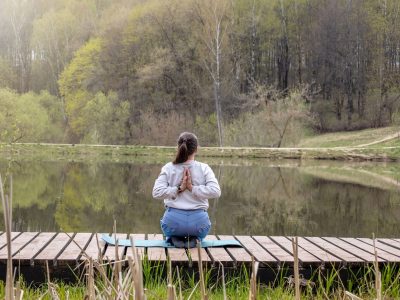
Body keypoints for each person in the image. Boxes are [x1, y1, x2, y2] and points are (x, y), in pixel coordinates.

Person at [152, 132, 221, 248]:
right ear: (197, 149)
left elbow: (156, 192)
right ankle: (195, 238)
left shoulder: (169, 167)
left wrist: (182, 188)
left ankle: (174, 237)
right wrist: (191, 188)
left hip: (173, 224)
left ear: (178, 147)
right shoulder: (204, 168)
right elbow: (216, 191)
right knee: (198, 230)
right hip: (199, 225)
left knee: (171, 227)